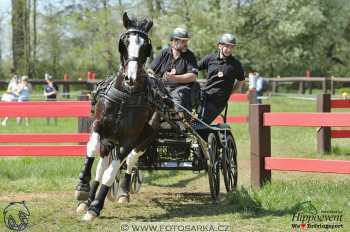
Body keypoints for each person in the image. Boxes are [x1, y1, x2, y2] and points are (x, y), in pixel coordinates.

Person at [149, 27, 199, 120]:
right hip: (162, 88)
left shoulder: (190, 56)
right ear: (175, 41)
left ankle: (180, 121)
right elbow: (150, 70)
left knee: (178, 94)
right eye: (183, 41)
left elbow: (193, 76)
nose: (186, 44)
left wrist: (174, 78)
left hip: (181, 89)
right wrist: (154, 78)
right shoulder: (164, 53)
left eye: (186, 41)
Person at [198, 33, 245, 124]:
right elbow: (194, 69)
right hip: (204, 96)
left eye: (232, 47)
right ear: (220, 46)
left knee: (200, 123)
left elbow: (241, 81)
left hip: (218, 101)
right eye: (227, 46)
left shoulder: (235, 64)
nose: (229, 49)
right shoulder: (210, 59)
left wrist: (230, 93)